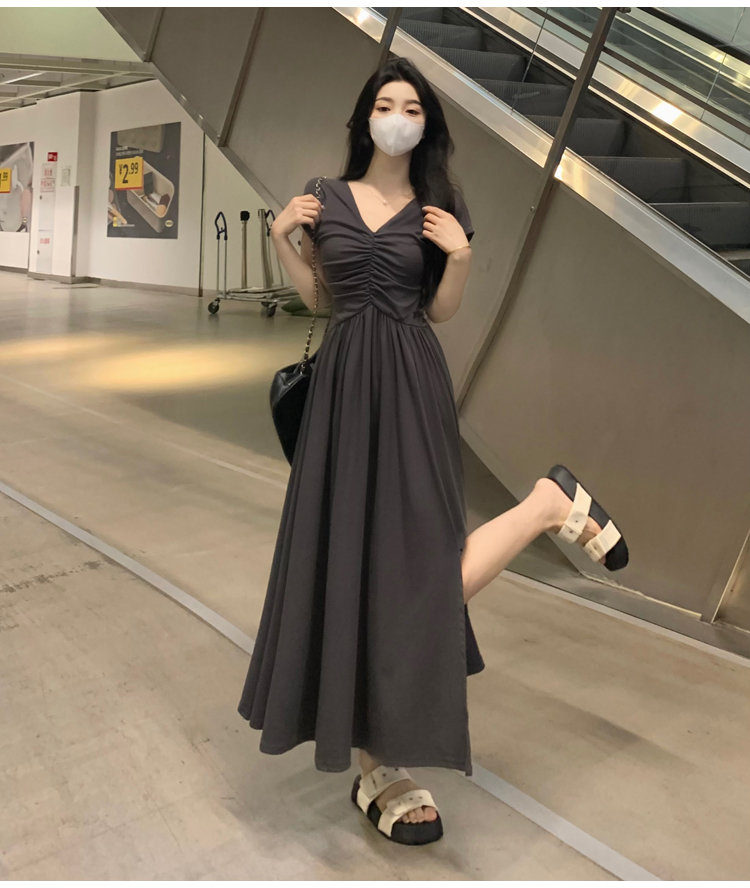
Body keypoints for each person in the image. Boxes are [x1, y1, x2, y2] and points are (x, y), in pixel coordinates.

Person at [238, 57, 628, 846]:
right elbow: (323, 297)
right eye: (386, 104)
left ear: (427, 125)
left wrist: (462, 257)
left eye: (412, 107)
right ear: (364, 118)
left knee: (418, 571)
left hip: (412, 386)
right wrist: (284, 241)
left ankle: (543, 506)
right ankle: (379, 762)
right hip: (345, 393)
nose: (397, 117)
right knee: (351, 569)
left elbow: (441, 312)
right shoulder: (326, 195)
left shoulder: (440, 205)